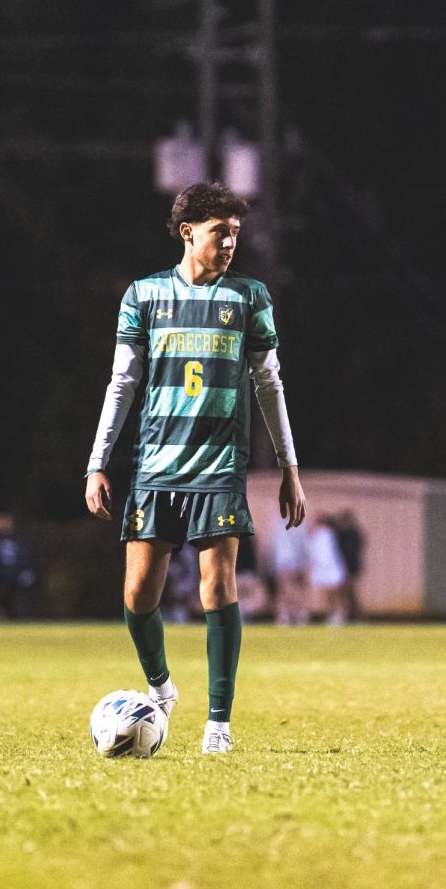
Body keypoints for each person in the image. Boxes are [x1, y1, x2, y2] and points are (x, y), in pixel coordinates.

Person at [85, 182, 305, 755]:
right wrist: (97, 462)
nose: (230, 242)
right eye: (219, 232)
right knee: (137, 596)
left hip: (220, 465)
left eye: (236, 233)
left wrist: (289, 465)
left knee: (218, 587)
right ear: (188, 232)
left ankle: (218, 724)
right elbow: (123, 382)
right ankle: (161, 688)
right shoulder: (144, 295)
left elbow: (269, 383)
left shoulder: (250, 297)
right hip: (156, 465)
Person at [306, 514, 348, 625]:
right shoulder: (315, 537)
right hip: (323, 569)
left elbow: (326, 554)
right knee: (328, 595)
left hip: (331, 568)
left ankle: (339, 614)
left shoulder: (326, 534)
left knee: (334, 594)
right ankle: (333, 614)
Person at [270, 516, 309, 625]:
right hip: (281, 561)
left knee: (295, 590)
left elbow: (303, 544)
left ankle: (298, 613)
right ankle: (284, 614)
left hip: (294, 561)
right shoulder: (277, 523)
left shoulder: (299, 523)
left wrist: (303, 563)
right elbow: (275, 544)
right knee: (283, 590)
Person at [335, 508, 366, 622]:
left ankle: (355, 615)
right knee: (347, 592)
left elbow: (349, 552)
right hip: (349, 567)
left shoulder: (350, 533)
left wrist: (347, 567)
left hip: (349, 567)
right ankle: (351, 615)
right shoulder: (352, 533)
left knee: (350, 592)